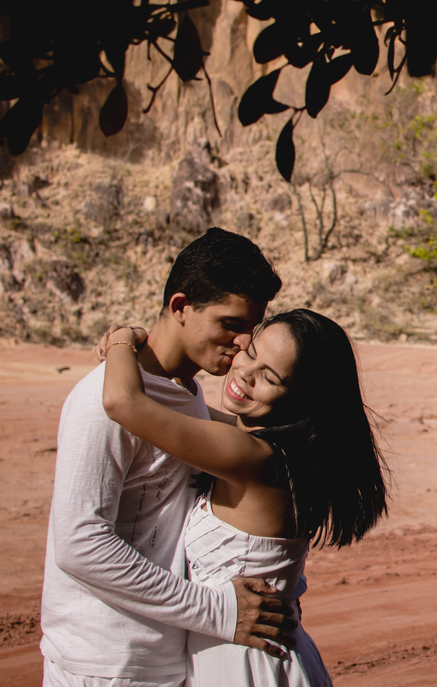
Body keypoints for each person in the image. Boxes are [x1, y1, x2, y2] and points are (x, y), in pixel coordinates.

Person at [40, 228, 290, 687]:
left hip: (160, 658)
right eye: (230, 324)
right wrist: (216, 610)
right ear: (180, 307)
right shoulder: (102, 401)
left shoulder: (183, 395)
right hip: (105, 665)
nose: (241, 344)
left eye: (249, 330)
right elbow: (79, 544)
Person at [100, 308, 388, 686]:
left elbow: (123, 403)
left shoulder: (251, 456)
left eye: (269, 376)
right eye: (251, 353)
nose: (246, 373)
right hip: (260, 654)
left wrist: (122, 339)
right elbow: (187, 411)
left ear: (301, 398)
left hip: (246, 665)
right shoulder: (290, 451)